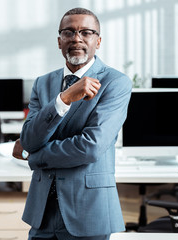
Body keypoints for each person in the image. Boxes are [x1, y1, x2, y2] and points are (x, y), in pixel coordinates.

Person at [12, 8, 132, 240]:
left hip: (88, 210)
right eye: (69, 32)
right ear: (59, 42)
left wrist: (33, 156)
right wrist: (64, 98)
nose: (76, 38)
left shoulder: (116, 82)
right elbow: (29, 139)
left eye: (86, 32)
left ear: (98, 41)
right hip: (42, 212)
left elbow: (90, 147)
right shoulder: (43, 83)